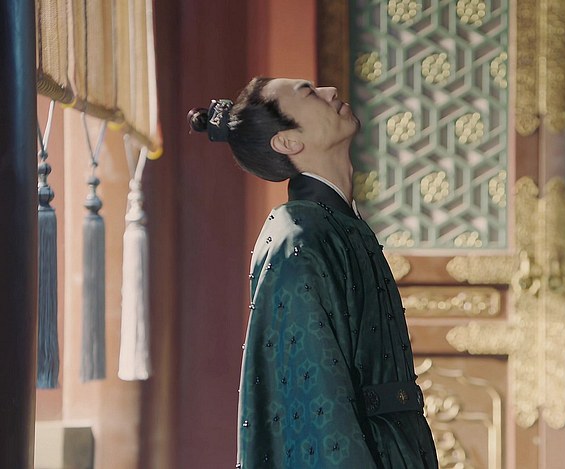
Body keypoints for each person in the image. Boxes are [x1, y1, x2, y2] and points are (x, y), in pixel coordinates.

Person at [188, 77, 439, 468]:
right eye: (308, 93)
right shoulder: (297, 237)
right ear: (288, 142)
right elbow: (316, 408)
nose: (330, 92)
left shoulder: (338, 223)